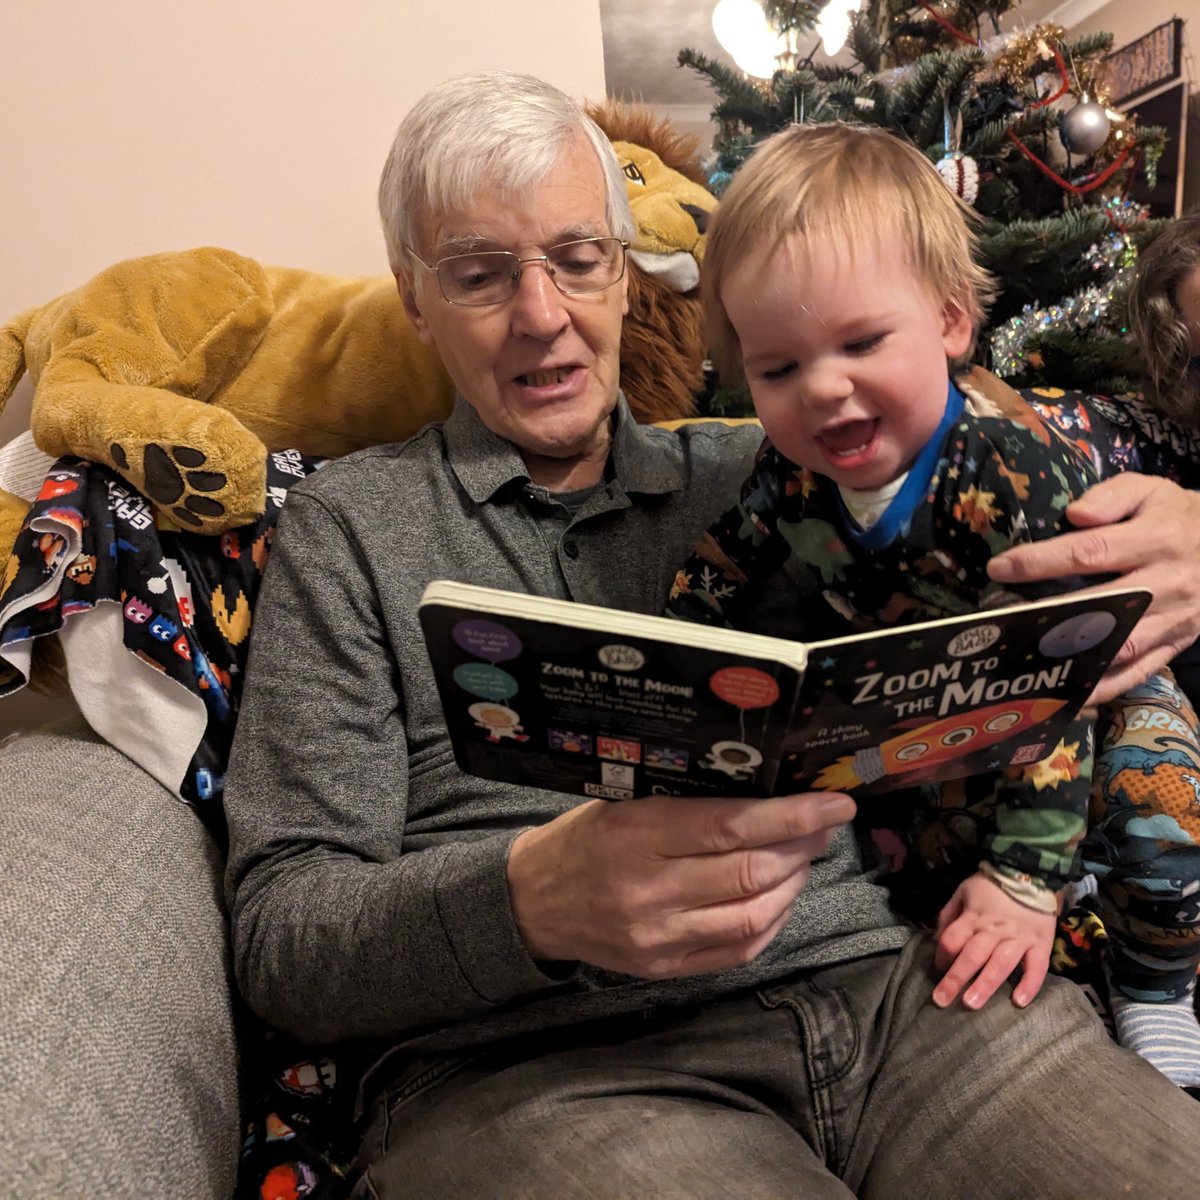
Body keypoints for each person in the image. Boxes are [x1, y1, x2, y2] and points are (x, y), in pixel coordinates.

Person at [223, 72, 1200, 1198]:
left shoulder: (783, 464)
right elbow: (282, 940)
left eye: (579, 259)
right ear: (414, 299)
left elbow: (978, 447)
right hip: (551, 1069)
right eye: (481, 275)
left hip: (914, 997)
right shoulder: (351, 528)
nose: (542, 314)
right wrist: (526, 900)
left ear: (629, 275)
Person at [665, 121, 1200, 1088]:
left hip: (1092, 693)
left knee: (1163, 802)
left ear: (951, 323)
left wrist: (1026, 878)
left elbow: (1064, 683)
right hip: (943, 718)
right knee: (889, 854)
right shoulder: (785, 478)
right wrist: (676, 657)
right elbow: (719, 570)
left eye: (862, 342)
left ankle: (1160, 987)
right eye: (778, 370)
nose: (824, 390)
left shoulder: (1010, 473)